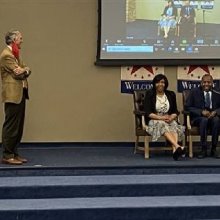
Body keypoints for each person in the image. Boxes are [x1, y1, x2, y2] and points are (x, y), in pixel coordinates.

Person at [0, 30, 31, 165]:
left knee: (18, 126)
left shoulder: (15, 54)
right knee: (11, 126)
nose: (22, 40)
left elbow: (25, 69)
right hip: (12, 95)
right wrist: (25, 70)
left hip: (20, 94)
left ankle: (14, 153)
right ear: (13, 40)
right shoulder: (6, 55)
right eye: (20, 38)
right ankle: (7, 155)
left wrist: (25, 69)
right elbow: (18, 74)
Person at [144, 74, 185, 161]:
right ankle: (177, 145)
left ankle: (175, 150)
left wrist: (171, 117)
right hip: (154, 120)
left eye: (162, 82)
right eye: (157, 82)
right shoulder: (149, 94)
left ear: (165, 83)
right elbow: (148, 113)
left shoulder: (171, 94)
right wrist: (161, 118)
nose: (160, 84)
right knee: (162, 124)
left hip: (168, 119)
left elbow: (175, 111)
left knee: (173, 124)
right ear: (154, 84)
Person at [185, 74, 220, 159]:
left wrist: (216, 112)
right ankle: (203, 149)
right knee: (204, 120)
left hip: (213, 117)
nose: (206, 84)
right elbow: (187, 107)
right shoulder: (194, 92)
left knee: (216, 120)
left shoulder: (217, 92)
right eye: (204, 82)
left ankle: (213, 149)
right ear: (201, 83)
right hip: (198, 118)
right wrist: (201, 112)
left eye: (208, 82)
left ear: (212, 83)